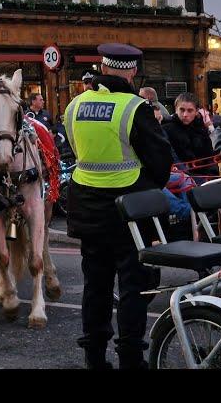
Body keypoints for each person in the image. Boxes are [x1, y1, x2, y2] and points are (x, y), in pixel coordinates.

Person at [64, 43, 172, 369]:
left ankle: (94, 358)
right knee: (132, 287)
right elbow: (161, 163)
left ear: (103, 67)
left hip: (86, 206)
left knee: (95, 286)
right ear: (132, 71)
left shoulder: (75, 104)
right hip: (127, 211)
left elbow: (76, 151)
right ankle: (130, 357)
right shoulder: (133, 106)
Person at [163, 92, 218, 181]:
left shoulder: (201, 129)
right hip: (181, 179)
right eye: (182, 110)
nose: (185, 114)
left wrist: (212, 175)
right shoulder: (166, 129)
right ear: (176, 109)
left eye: (190, 110)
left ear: (196, 111)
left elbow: (210, 155)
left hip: (204, 176)